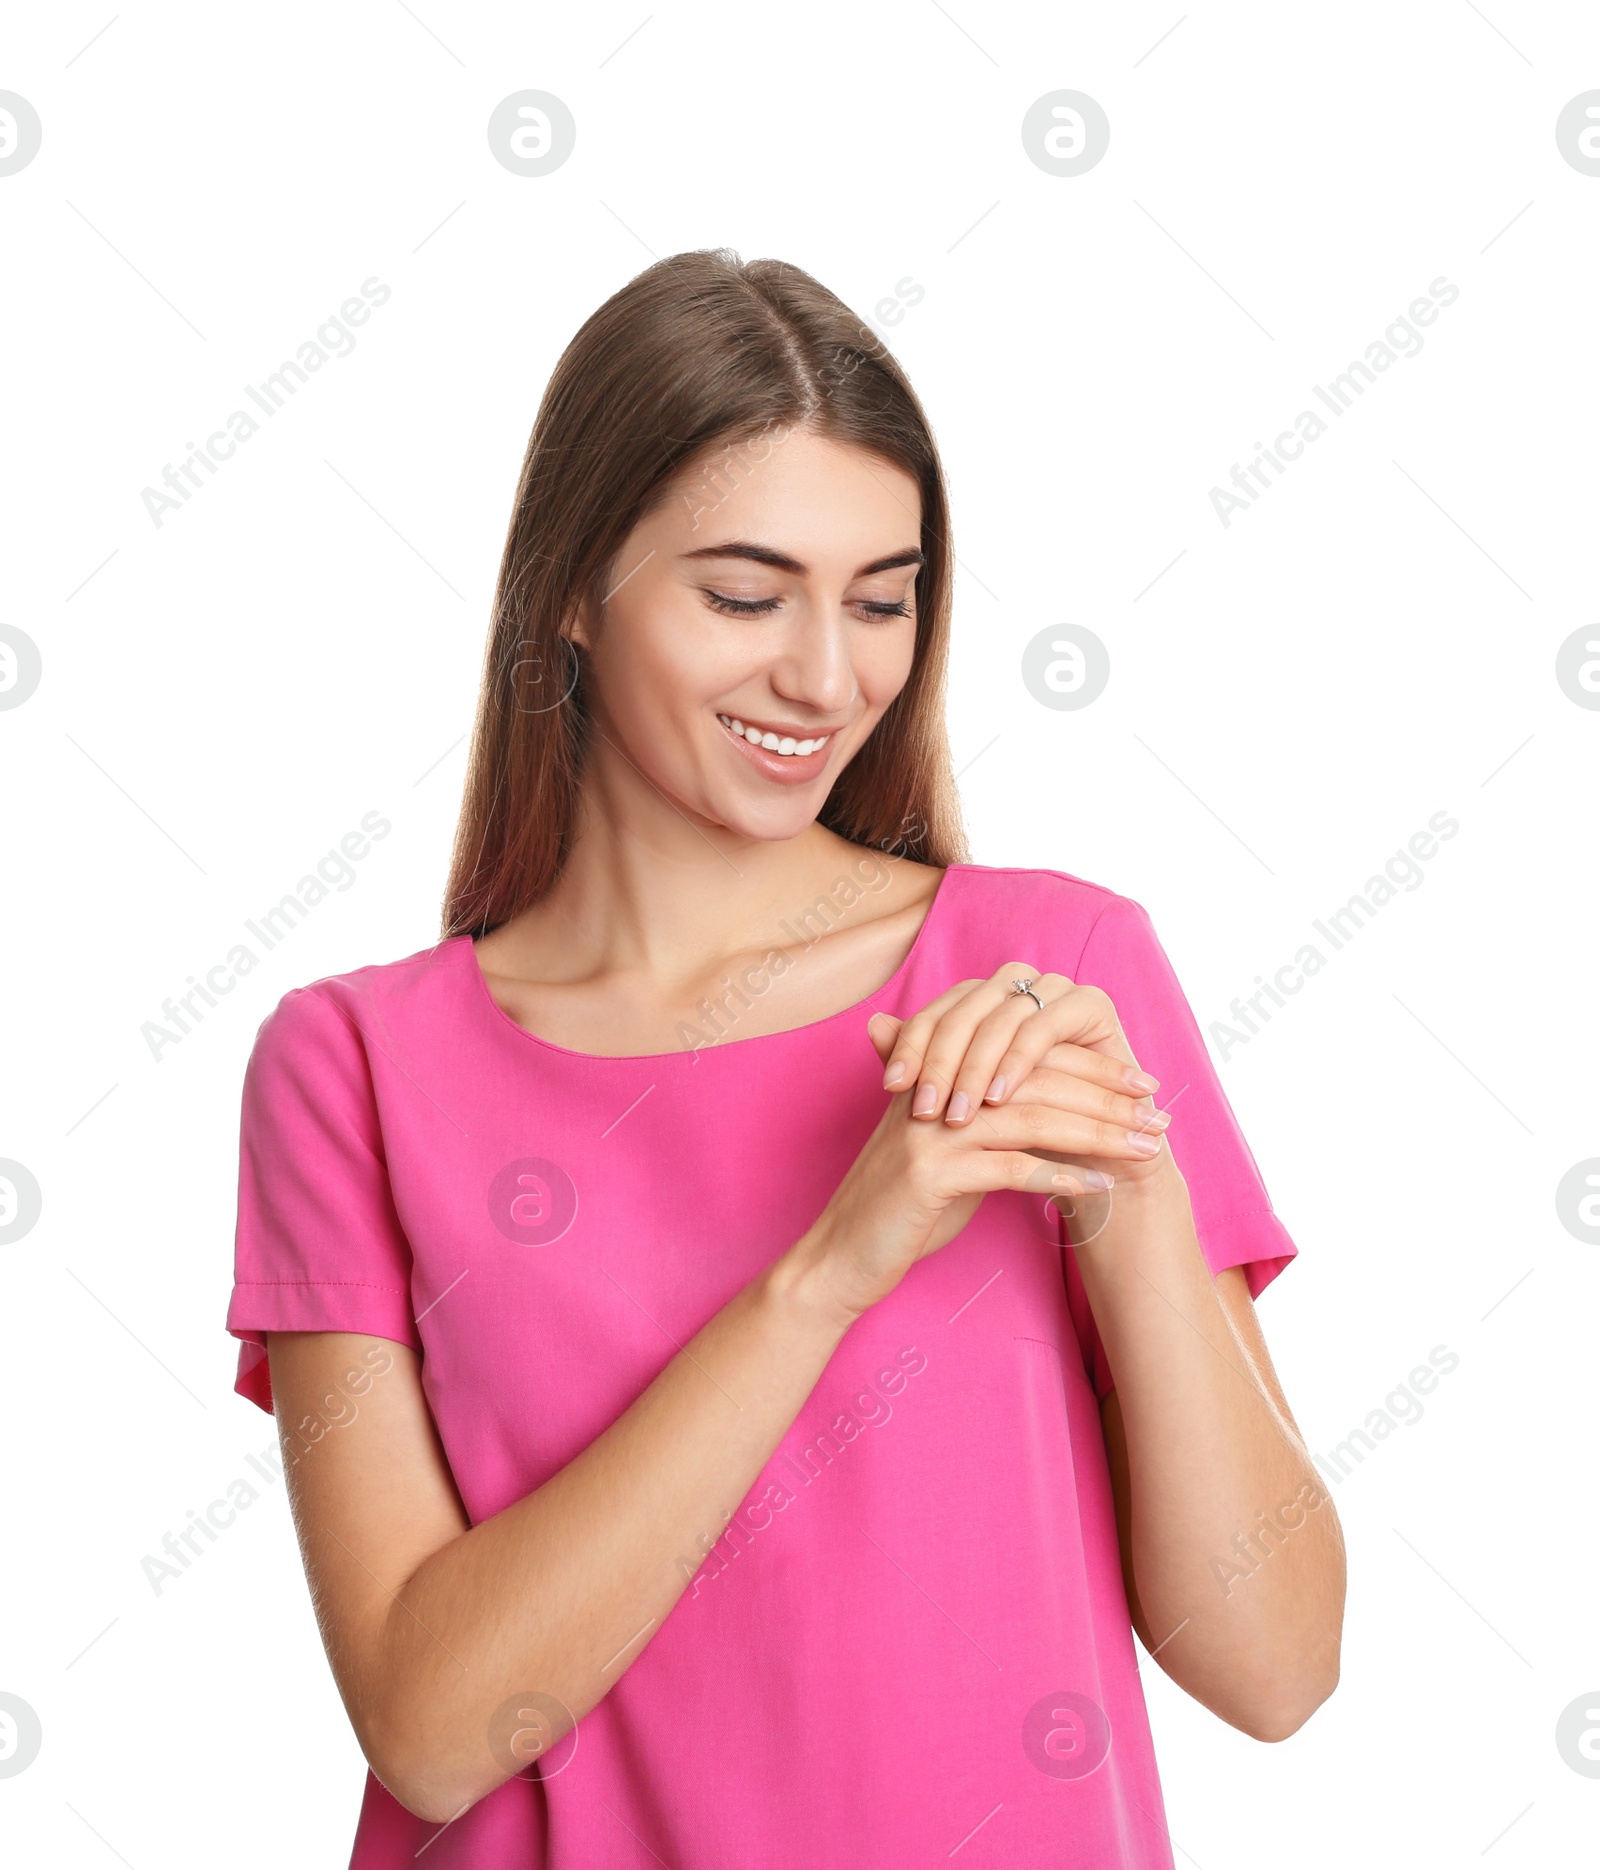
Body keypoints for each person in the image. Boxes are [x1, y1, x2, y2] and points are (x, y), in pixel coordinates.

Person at [226, 247, 1344, 1869]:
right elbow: (432, 1722)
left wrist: (1127, 1191)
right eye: (746, 596)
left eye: (881, 598)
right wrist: (830, 1266)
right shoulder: (355, 1065)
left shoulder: (1054, 980)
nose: (827, 678)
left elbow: (1278, 1666)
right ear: (571, 589)